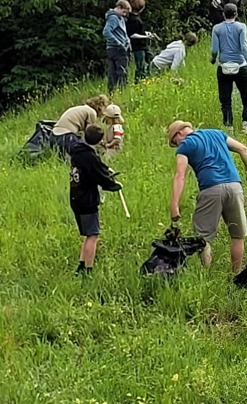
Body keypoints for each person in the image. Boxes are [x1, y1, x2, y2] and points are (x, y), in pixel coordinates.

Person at [167, 120, 247, 272]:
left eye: (174, 142)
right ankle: (236, 274)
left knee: (203, 238)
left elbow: (180, 175)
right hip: (234, 187)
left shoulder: (186, 144)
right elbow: (243, 149)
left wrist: (174, 204)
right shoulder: (217, 134)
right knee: (238, 236)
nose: (177, 145)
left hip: (211, 189)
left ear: (179, 133)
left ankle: (207, 274)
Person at [69, 125, 122, 275]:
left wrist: (106, 170)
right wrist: (113, 185)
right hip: (87, 200)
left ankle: (81, 265)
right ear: (99, 141)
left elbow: (98, 167)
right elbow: (99, 175)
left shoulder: (77, 151)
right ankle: (88, 269)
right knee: (93, 235)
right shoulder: (89, 157)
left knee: (88, 234)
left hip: (76, 198)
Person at [211, 3, 247, 136]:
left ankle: (229, 129)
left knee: (225, 100)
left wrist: (213, 59)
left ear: (223, 14)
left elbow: (214, 50)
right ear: (236, 14)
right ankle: (245, 127)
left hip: (223, 67)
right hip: (240, 66)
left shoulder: (217, 29)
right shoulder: (241, 27)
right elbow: (244, 47)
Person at [102, 0, 132, 93]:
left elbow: (123, 33)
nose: (124, 14)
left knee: (113, 72)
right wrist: (119, 43)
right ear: (118, 7)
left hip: (114, 48)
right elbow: (106, 32)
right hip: (117, 48)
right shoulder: (114, 18)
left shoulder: (120, 18)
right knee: (121, 72)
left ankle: (111, 92)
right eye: (123, 12)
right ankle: (122, 92)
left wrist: (128, 41)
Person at [125, 0, 157, 83]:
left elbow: (139, 31)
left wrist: (146, 33)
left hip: (143, 45)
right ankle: (139, 82)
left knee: (152, 59)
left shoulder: (136, 17)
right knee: (140, 65)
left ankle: (150, 77)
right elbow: (132, 35)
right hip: (137, 46)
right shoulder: (132, 19)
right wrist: (146, 36)